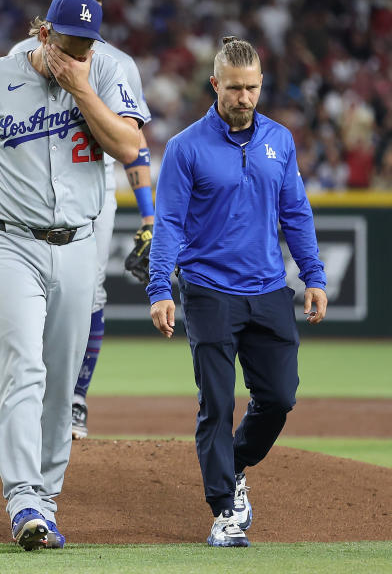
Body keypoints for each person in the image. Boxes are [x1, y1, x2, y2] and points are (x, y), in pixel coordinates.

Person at [0, 0, 142, 549]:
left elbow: (130, 144)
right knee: (25, 369)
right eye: (71, 43)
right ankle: (23, 499)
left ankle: (45, 497)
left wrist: (84, 90)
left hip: (79, 245)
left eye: (89, 43)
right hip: (9, 244)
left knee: (62, 383)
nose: (81, 52)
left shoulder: (104, 74)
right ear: (45, 33)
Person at [148, 37, 328, 547]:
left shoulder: (280, 140)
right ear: (214, 85)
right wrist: (160, 287)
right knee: (216, 403)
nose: (243, 98)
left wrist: (313, 276)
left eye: (251, 88)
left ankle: (237, 461)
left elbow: (295, 212)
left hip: (270, 289)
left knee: (279, 397)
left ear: (261, 85)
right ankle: (224, 511)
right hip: (207, 291)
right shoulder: (186, 147)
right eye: (233, 89)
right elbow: (169, 224)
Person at [9, 0, 154, 439]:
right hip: (29, 200)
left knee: (87, 296)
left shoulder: (115, 64)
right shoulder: (18, 59)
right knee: (31, 305)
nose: (89, 4)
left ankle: (74, 399)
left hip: (91, 198)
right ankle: (35, 397)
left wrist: (149, 212)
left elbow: (136, 145)